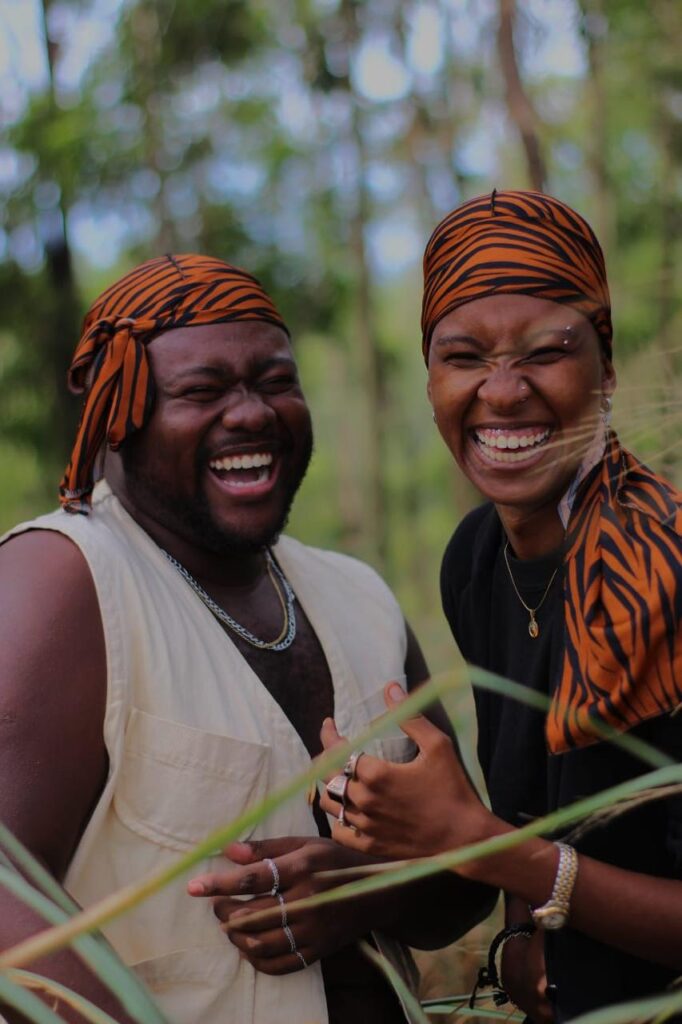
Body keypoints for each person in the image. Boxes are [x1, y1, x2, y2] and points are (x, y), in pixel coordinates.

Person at [0, 254, 493, 1024]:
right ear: (116, 415)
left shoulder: (360, 597)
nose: (253, 413)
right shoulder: (62, 581)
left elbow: (469, 880)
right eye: (201, 391)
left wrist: (364, 888)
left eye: (275, 381)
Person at [321, 190, 682, 1023]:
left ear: (608, 364)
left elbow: (504, 841)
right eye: (464, 356)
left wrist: (478, 846)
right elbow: (528, 807)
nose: (504, 390)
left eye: (545, 352)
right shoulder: (477, 561)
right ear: (430, 378)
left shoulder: (666, 569)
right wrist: (520, 933)